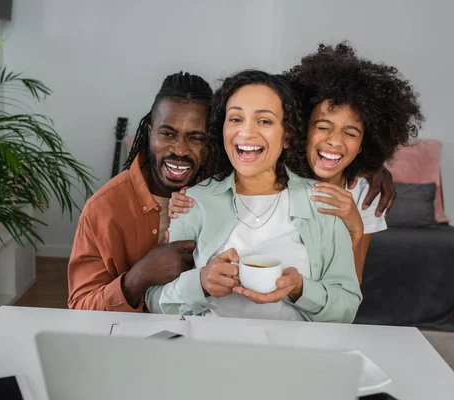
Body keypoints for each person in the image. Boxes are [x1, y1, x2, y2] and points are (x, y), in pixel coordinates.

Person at [169, 42, 423, 282]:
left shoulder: (364, 194)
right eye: (323, 127)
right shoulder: (276, 168)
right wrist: (184, 201)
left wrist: (355, 227)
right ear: (299, 129)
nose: (334, 141)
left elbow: (350, 292)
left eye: (351, 133)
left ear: (364, 144)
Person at [146, 69, 362, 323]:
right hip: (211, 353)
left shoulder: (322, 202)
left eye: (265, 121)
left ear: (287, 136)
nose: (246, 133)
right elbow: (154, 302)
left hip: (294, 357)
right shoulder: (194, 202)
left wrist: (301, 289)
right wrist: (201, 283)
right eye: (236, 119)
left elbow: (347, 309)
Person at [67, 72, 212, 311]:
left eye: (196, 138)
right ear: (148, 133)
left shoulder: (226, 195)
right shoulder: (103, 208)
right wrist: (138, 277)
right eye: (167, 134)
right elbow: (80, 307)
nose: (180, 150)